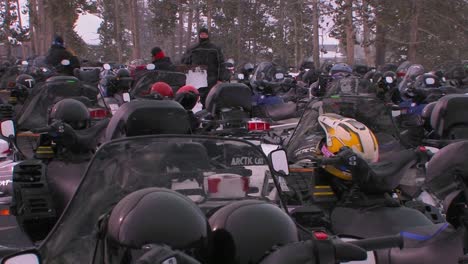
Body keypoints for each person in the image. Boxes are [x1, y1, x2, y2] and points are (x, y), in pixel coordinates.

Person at [181, 27, 227, 108]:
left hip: (212, 78)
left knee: (211, 99)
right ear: (199, 35)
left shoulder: (215, 49)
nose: (203, 36)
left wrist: (220, 79)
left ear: (208, 35)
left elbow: (221, 64)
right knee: (198, 100)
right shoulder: (193, 49)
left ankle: (209, 115)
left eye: (205, 34)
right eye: (202, 34)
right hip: (197, 79)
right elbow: (185, 62)